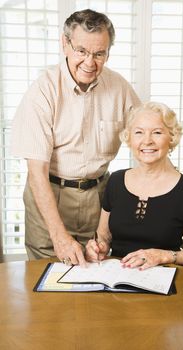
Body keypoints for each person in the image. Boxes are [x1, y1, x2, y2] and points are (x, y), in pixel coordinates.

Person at [11, 9, 140, 265]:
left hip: (98, 197)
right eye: (81, 51)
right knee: (50, 281)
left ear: (108, 53)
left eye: (99, 54)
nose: (90, 62)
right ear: (65, 44)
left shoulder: (120, 88)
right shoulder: (43, 91)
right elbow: (36, 171)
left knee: (95, 277)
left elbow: (146, 137)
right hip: (50, 194)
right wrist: (59, 236)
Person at [85, 101, 183, 269]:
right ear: (129, 138)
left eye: (157, 132)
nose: (147, 141)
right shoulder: (116, 181)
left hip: (162, 279)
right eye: (139, 133)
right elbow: (103, 236)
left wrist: (162, 256)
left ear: (171, 138)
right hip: (117, 277)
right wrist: (98, 247)